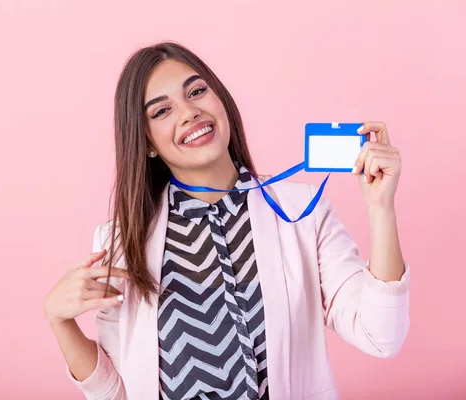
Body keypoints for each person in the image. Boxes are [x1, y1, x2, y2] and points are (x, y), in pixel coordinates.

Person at [43, 41, 410, 400]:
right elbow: (117, 393)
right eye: (161, 111)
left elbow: (381, 336)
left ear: (221, 100)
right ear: (147, 142)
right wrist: (59, 320)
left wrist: (381, 210)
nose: (189, 112)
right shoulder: (122, 243)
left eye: (197, 91)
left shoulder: (304, 213)